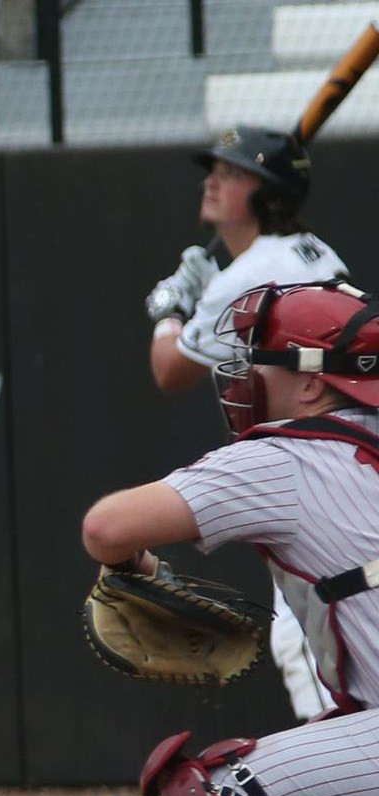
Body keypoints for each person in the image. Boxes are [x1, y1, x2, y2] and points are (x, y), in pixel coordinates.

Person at [86, 279, 379, 796]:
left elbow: (105, 526)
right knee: (341, 742)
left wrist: (135, 567)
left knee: (215, 790)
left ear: (314, 379)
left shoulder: (284, 458)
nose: (245, 376)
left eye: (265, 361)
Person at [145, 125, 348, 721]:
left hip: (311, 466)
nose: (213, 180)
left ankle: (350, 791)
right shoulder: (311, 249)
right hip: (351, 454)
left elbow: (170, 371)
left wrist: (170, 307)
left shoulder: (240, 280)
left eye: (233, 173)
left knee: (308, 641)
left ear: (269, 191)